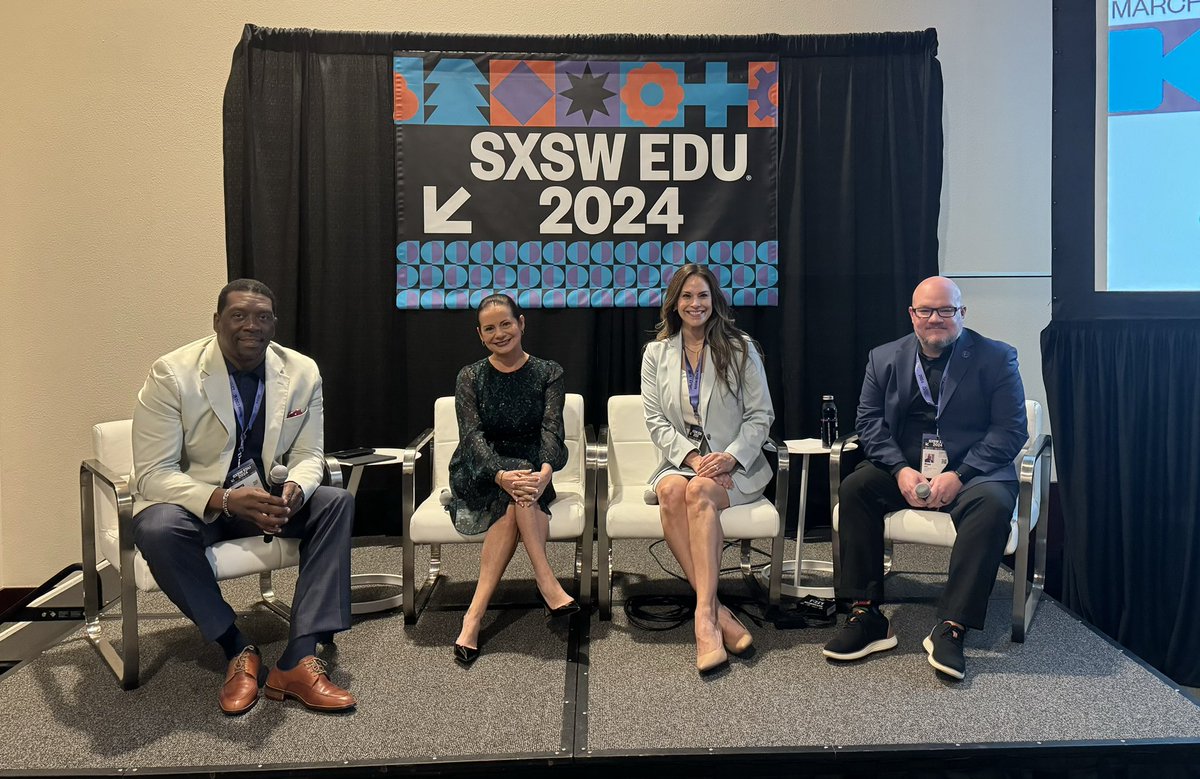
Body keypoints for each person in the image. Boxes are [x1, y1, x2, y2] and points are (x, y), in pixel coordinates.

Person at [131, 279, 356, 714]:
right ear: (217, 321)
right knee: (156, 527)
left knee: (335, 501)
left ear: (274, 323)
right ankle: (236, 646)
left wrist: (297, 489)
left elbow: (310, 454)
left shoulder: (302, 371)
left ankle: (298, 658)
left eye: (262, 316)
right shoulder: (172, 374)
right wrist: (224, 499)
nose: (251, 326)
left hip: (266, 501)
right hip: (202, 506)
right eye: (238, 315)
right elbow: (152, 475)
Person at [822, 276, 1028, 681]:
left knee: (994, 506)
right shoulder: (883, 357)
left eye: (946, 310)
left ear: (962, 313)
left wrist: (960, 473)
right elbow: (869, 422)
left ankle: (952, 626)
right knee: (855, 489)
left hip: (974, 470)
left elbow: (1010, 430)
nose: (936, 319)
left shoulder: (997, 357)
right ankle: (866, 615)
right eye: (926, 311)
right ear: (912, 315)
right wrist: (899, 469)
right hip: (906, 467)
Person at [641, 264, 775, 674]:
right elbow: (655, 420)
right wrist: (695, 459)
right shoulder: (657, 353)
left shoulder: (740, 347)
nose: (695, 304)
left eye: (702, 296)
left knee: (698, 492)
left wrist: (730, 456)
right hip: (684, 460)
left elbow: (760, 415)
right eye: (687, 296)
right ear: (674, 303)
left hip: (736, 465)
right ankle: (716, 610)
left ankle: (703, 622)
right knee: (670, 491)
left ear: (714, 301)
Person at [446, 293, 578, 666]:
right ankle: (547, 581)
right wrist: (500, 474)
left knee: (514, 503)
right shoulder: (470, 376)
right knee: (515, 489)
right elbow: (471, 438)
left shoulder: (548, 371)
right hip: (482, 469)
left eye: (506, 323)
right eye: (490, 328)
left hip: (533, 471)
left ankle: (472, 618)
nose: (500, 333)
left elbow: (552, 432)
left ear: (522, 323)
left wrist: (544, 474)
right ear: (480, 335)